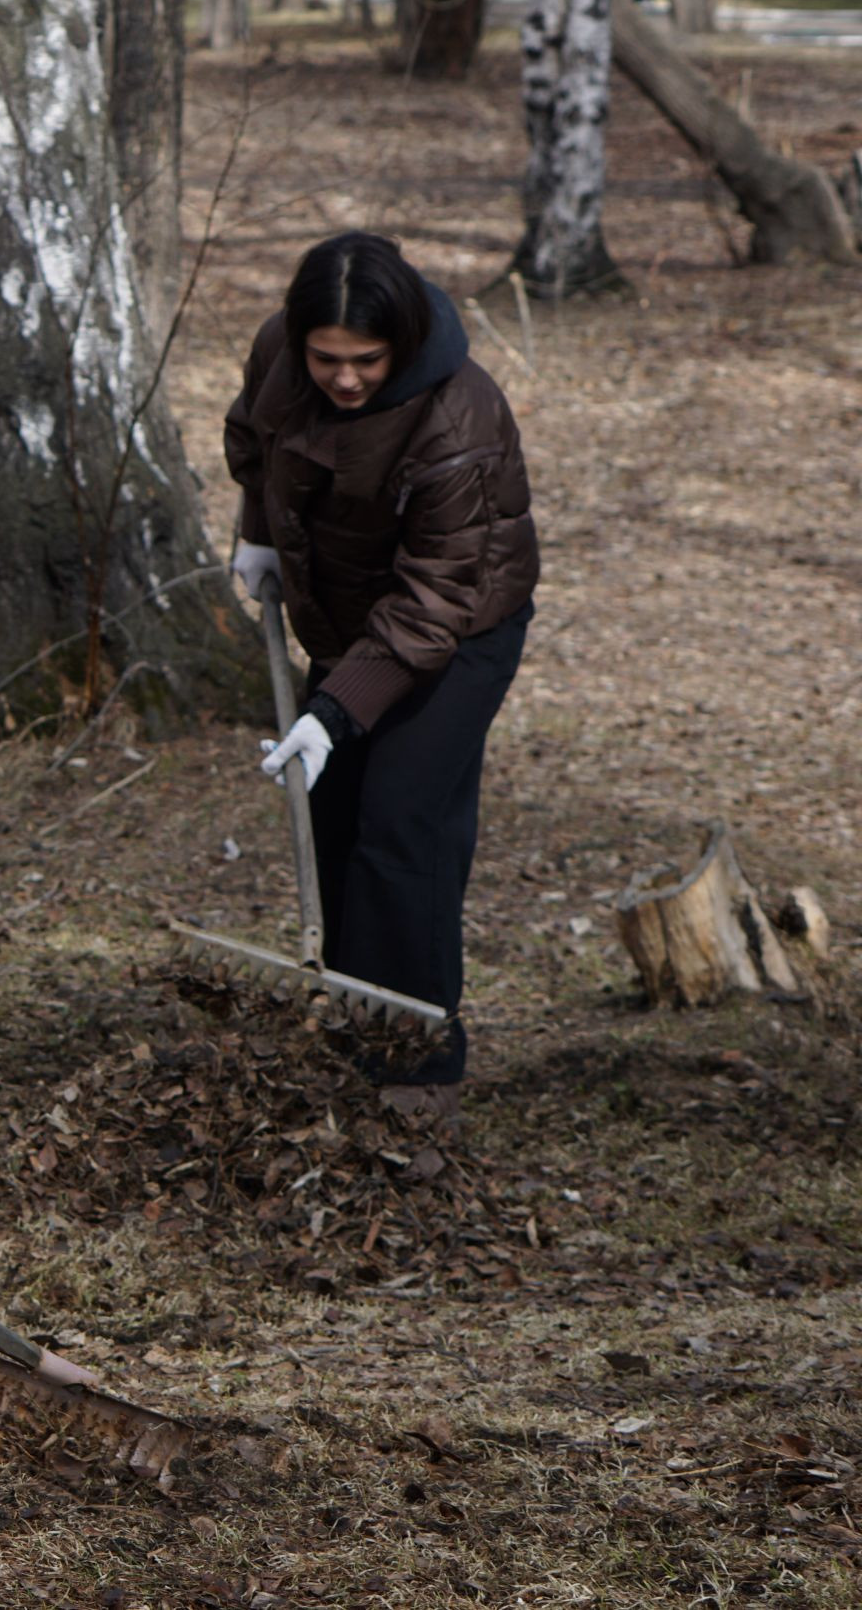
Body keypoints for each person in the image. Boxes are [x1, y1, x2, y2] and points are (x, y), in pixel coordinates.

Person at [222, 232, 540, 1123]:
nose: (346, 378)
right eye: (328, 358)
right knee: (335, 818)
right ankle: (358, 1027)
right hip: (350, 613)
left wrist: (331, 712)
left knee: (405, 825)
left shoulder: (458, 416)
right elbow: (254, 436)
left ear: (399, 340)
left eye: (366, 360)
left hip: (461, 627)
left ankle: (420, 1064)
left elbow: (436, 596)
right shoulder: (281, 355)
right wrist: (258, 528)